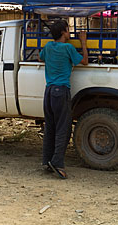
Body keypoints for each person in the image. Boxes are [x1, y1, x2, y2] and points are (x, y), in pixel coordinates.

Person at [39, 20, 88, 179]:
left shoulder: (47, 47)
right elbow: (85, 61)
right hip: (61, 92)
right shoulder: (68, 48)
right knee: (63, 129)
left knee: (50, 127)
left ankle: (46, 161)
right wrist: (83, 43)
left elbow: (41, 59)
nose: (69, 33)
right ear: (62, 33)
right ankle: (58, 163)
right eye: (68, 30)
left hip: (49, 91)